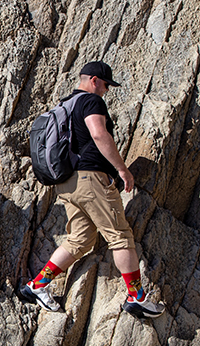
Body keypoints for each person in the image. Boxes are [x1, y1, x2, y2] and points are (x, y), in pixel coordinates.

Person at [19, 61, 165, 319]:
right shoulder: (91, 101)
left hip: (67, 184)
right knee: (120, 236)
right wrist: (121, 169)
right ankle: (137, 297)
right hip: (91, 179)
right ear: (95, 80)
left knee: (80, 239)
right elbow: (99, 134)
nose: (107, 91)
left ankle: (37, 285)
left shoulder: (66, 103)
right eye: (107, 85)